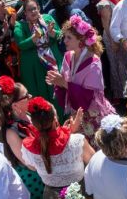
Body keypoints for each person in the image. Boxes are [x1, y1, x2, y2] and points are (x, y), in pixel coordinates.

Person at [0, 79, 53, 199]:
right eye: (25, 96)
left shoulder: (28, 117)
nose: (30, 97)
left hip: (44, 169)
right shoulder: (11, 131)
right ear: (15, 105)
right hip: (34, 179)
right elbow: (28, 163)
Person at [48, 14, 116, 142]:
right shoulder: (68, 56)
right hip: (76, 112)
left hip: (92, 113)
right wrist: (56, 80)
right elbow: (63, 80)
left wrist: (63, 83)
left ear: (81, 40)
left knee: (96, 145)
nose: (64, 41)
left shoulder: (93, 62)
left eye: (69, 38)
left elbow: (88, 95)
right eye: (65, 37)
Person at [20, 97, 94, 199]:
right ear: (55, 119)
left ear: (34, 124)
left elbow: (32, 167)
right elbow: (93, 161)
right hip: (79, 194)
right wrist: (71, 133)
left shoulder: (29, 148)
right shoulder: (76, 141)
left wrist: (69, 132)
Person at [15, 0, 64, 110]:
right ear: (25, 13)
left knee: (57, 87)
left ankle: (63, 115)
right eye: (29, 10)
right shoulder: (20, 26)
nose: (33, 12)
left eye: (35, 8)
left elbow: (60, 34)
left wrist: (52, 33)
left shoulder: (47, 18)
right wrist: (34, 38)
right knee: (42, 91)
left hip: (53, 59)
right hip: (35, 65)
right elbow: (21, 44)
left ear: (38, 9)